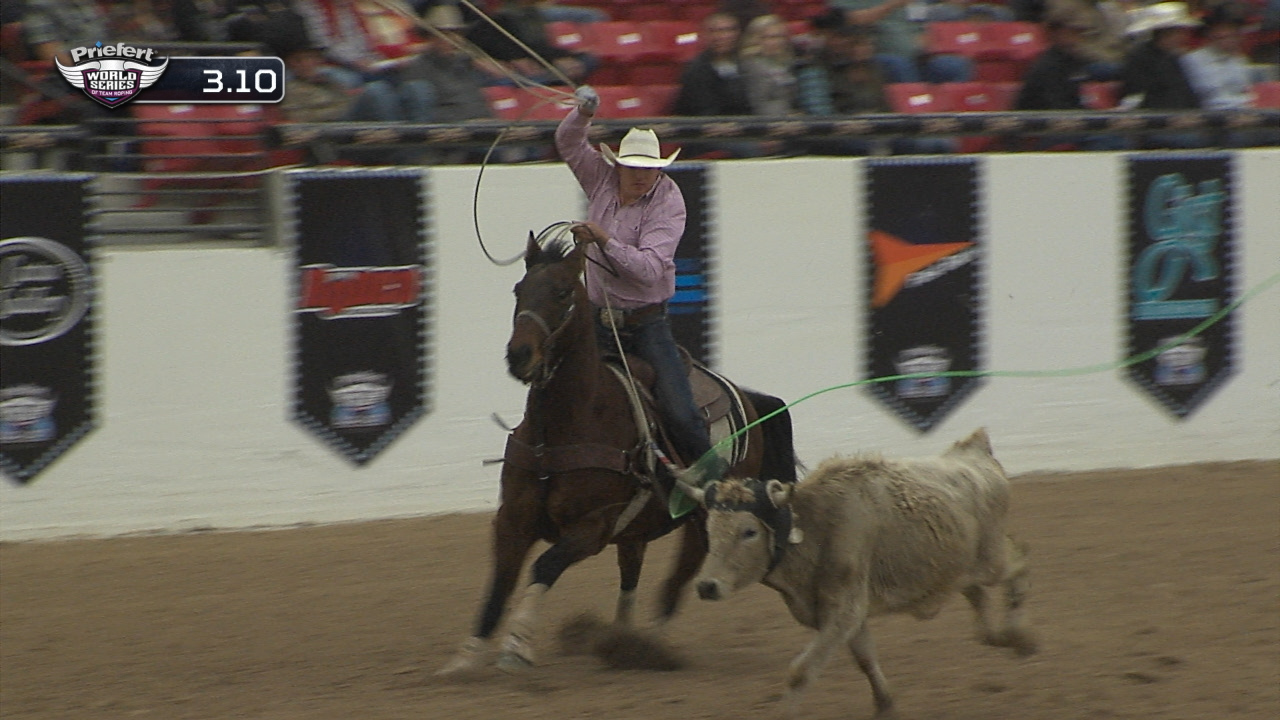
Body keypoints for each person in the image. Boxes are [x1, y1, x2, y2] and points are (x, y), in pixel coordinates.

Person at [553, 85, 715, 475]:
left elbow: (648, 270)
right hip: (595, 318)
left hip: (646, 324)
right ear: (619, 165)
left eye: (650, 169)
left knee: (680, 411)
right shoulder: (600, 178)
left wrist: (604, 239)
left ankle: (715, 484)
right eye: (635, 167)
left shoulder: (668, 201)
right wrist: (584, 114)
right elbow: (568, 142)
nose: (642, 176)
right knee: (554, 390)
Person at [1016, 16, 1129, 149]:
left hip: (1073, 122)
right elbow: (1058, 109)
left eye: (1079, 33)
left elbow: (1111, 72)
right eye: (1072, 32)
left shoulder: (1075, 60)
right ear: (1056, 34)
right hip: (1044, 129)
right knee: (1106, 140)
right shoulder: (1048, 66)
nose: (1077, 38)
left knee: (1120, 134)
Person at [1119, 2, 1204, 148]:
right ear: (1164, 33)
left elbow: (1187, 92)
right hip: (1154, 123)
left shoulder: (1174, 58)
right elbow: (1138, 95)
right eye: (1179, 32)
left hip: (1184, 121)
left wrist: (1194, 116)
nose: (1183, 37)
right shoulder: (1138, 58)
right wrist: (1170, 119)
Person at [828, 0, 973, 83]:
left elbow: (921, 25)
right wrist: (892, 4)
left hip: (917, 57)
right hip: (876, 56)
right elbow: (849, 19)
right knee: (898, 64)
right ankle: (914, 115)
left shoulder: (914, 3)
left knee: (955, 64)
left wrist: (924, 46)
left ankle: (952, 114)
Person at [739, 13, 802, 115]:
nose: (776, 42)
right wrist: (785, 117)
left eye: (779, 37)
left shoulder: (787, 63)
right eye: (769, 38)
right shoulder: (752, 65)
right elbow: (760, 103)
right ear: (756, 39)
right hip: (768, 122)